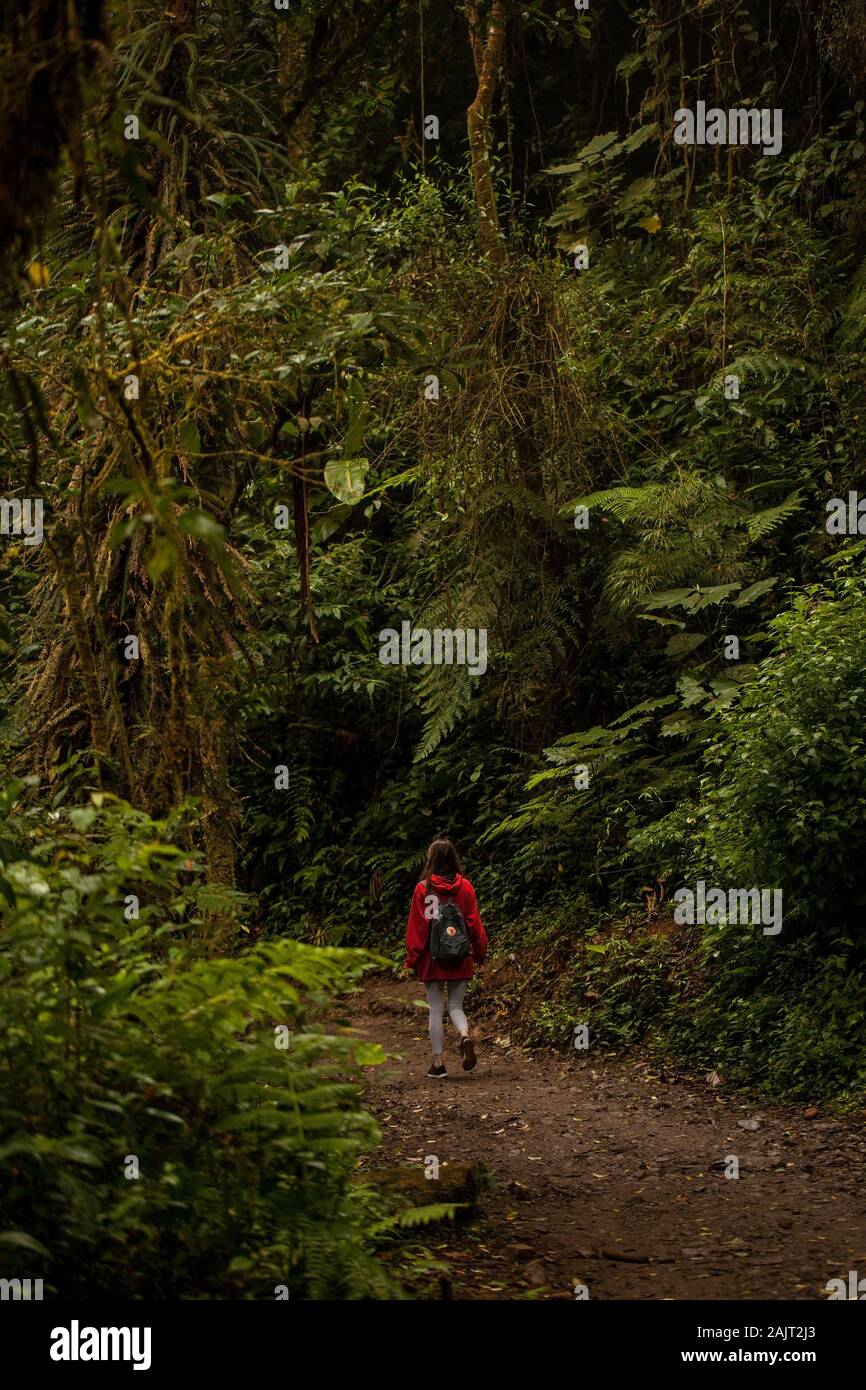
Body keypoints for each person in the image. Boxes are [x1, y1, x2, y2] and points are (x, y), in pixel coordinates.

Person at [404, 837, 488, 1078]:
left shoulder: (423, 889)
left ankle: (439, 1064)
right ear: (453, 858)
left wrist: (412, 959)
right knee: (455, 1006)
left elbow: (418, 928)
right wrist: (480, 951)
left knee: (436, 1009)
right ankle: (464, 1036)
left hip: (433, 957)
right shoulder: (466, 887)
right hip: (460, 954)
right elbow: (474, 924)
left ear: (431, 859)